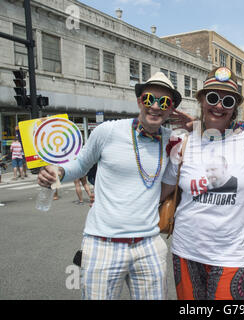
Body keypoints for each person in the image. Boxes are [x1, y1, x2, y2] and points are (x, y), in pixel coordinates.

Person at [37, 72, 182, 300]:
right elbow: (81, 164)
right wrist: (59, 171)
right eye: (149, 99)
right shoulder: (108, 131)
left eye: (164, 102)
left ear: (171, 109)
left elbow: (169, 183)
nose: (155, 106)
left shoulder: (172, 140)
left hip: (149, 245)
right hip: (102, 243)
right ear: (138, 101)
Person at [161, 67, 244, 300]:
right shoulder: (182, 142)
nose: (219, 106)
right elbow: (163, 191)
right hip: (186, 250)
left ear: (235, 108)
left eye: (228, 101)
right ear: (202, 100)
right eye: (212, 98)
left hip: (232, 255)